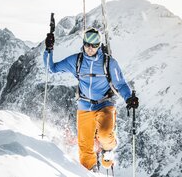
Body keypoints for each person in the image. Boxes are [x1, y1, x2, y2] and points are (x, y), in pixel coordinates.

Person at [43, 27, 139, 172]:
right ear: (83, 43)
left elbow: (120, 84)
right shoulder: (76, 61)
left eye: (94, 45)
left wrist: (128, 98)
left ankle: (108, 149)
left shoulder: (109, 63)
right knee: (84, 144)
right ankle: (89, 172)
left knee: (105, 134)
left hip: (105, 104)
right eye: (87, 44)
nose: (90, 48)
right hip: (84, 106)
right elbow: (52, 68)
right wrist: (48, 49)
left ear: (99, 45)